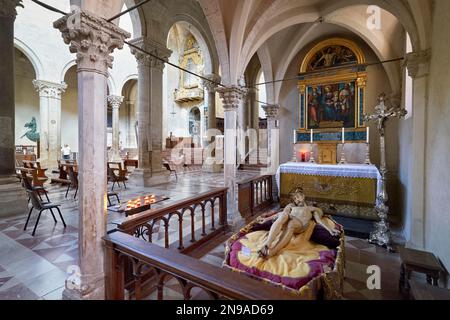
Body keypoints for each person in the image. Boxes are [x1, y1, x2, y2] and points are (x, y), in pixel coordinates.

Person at [258, 189, 340, 259]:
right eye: (295, 198)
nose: (296, 199)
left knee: (291, 224)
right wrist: (266, 219)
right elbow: (280, 215)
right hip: (288, 220)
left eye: (298, 196)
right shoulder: (291, 206)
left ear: (303, 197)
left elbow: (319, 220)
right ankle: (267, 245)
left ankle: (273, 251)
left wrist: (330, 229)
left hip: (300, 224)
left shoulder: (311, 208)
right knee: (284, 215)